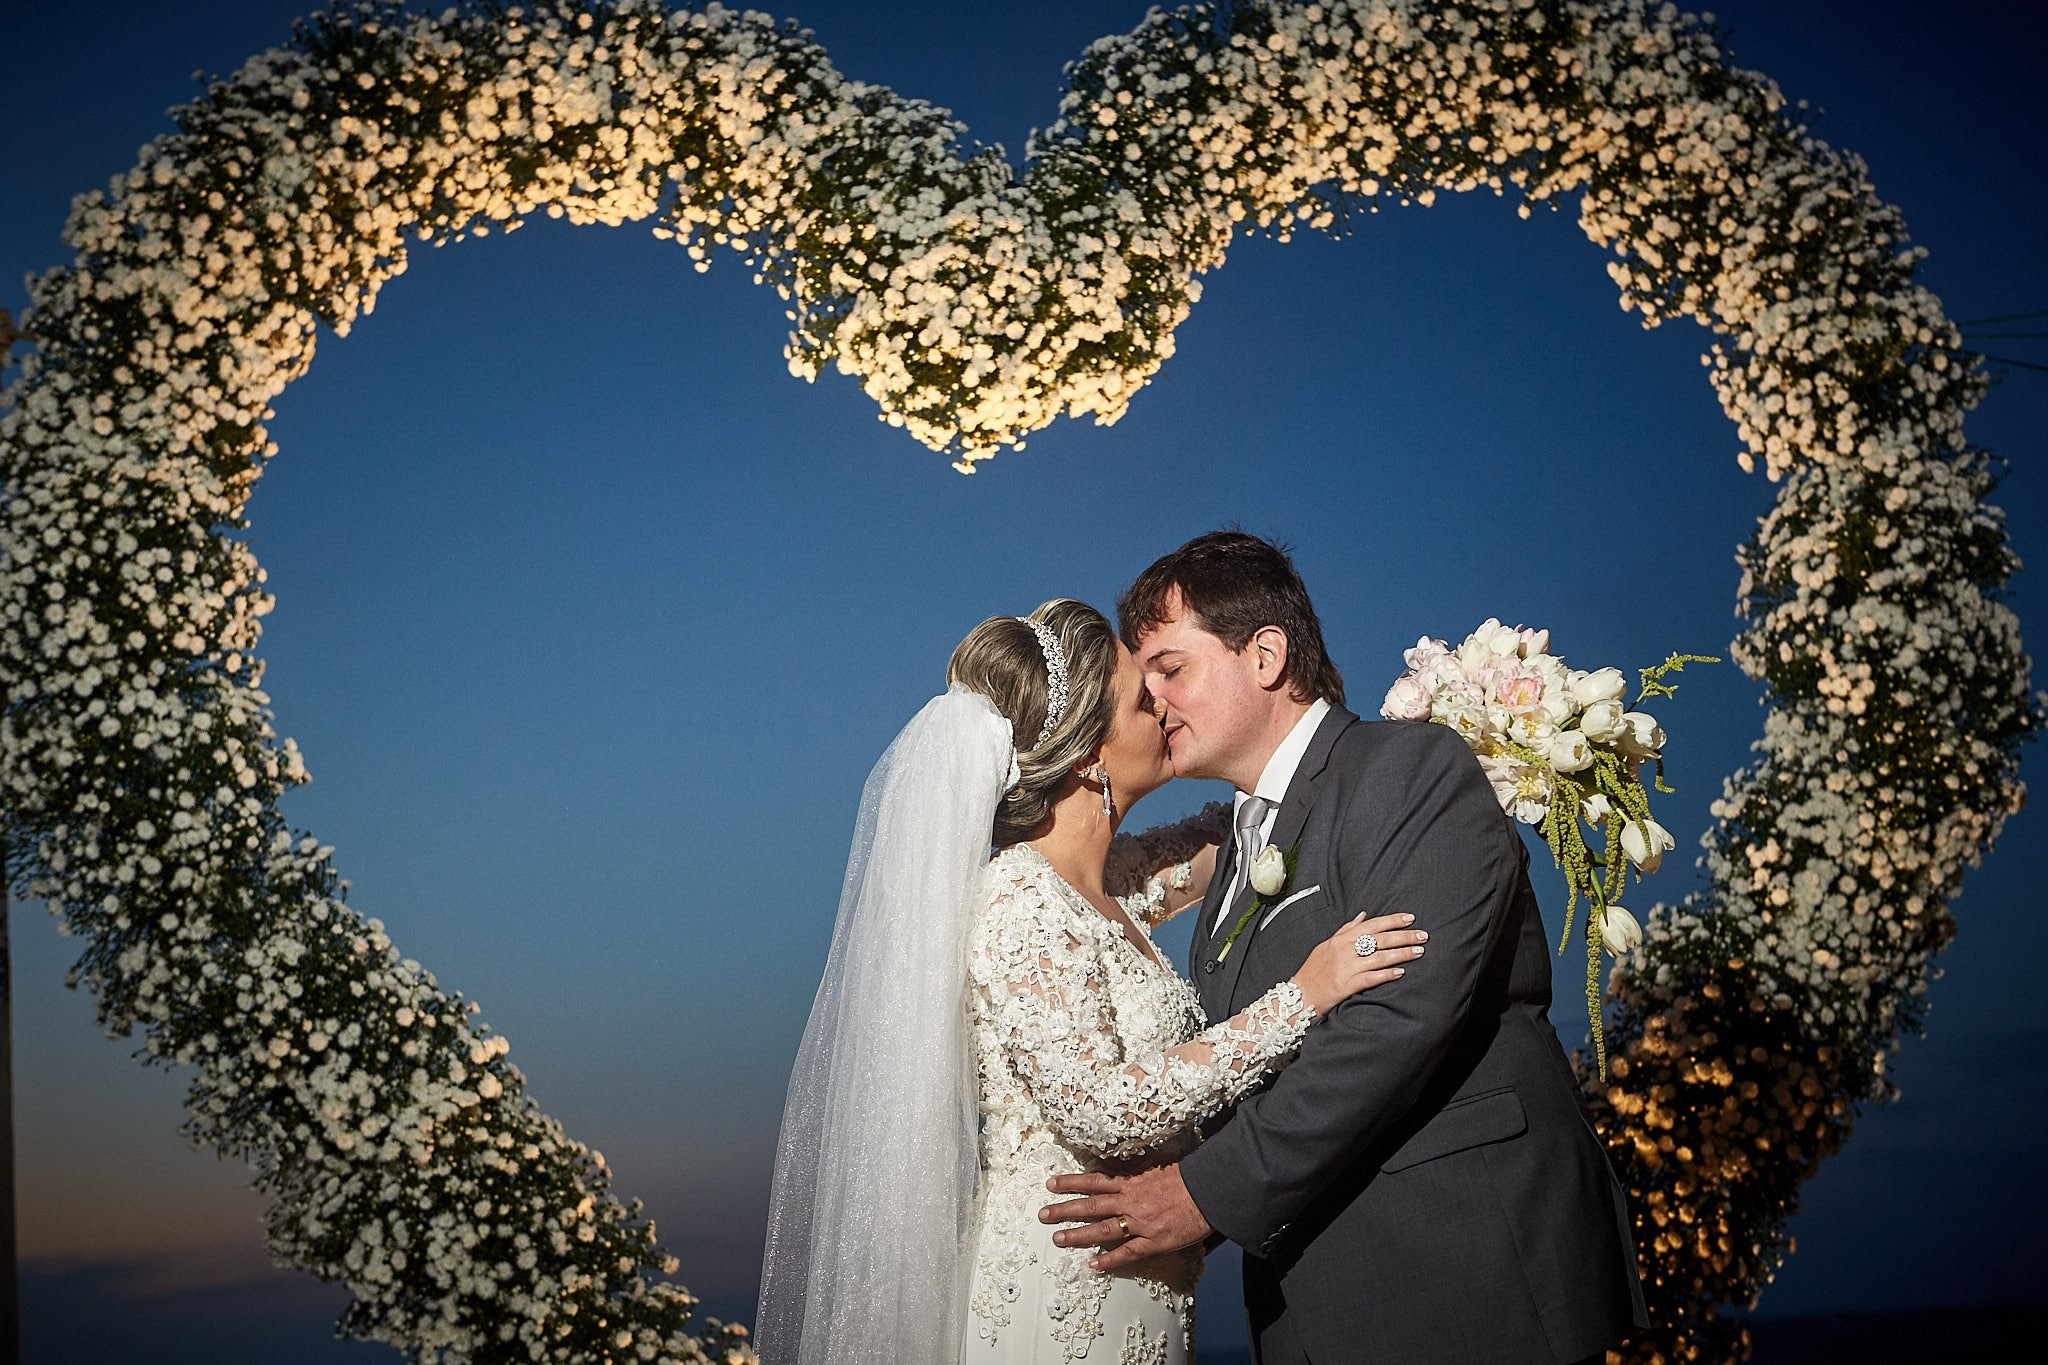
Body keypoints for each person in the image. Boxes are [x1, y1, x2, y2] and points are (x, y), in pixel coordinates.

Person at [755, 598, 1427, 1365]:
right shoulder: (1015, 900)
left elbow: (1244, 824)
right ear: (1087, 756)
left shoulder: (1117, 879)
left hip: (1144, 1290)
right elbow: (1098, 1106)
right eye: (1144, 698)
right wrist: (1303, 996)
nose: (1165, 703)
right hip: (1060, 1291)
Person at [1041, 533, 1649, 1365]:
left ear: (1264, 655)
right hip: (1320, 1301)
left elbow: (1398, 1016)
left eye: (1171, 666)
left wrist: (1201, 1194)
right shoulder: (1228, 859)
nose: (1151, 697)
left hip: (1468, 1277)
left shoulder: (1410, 770)